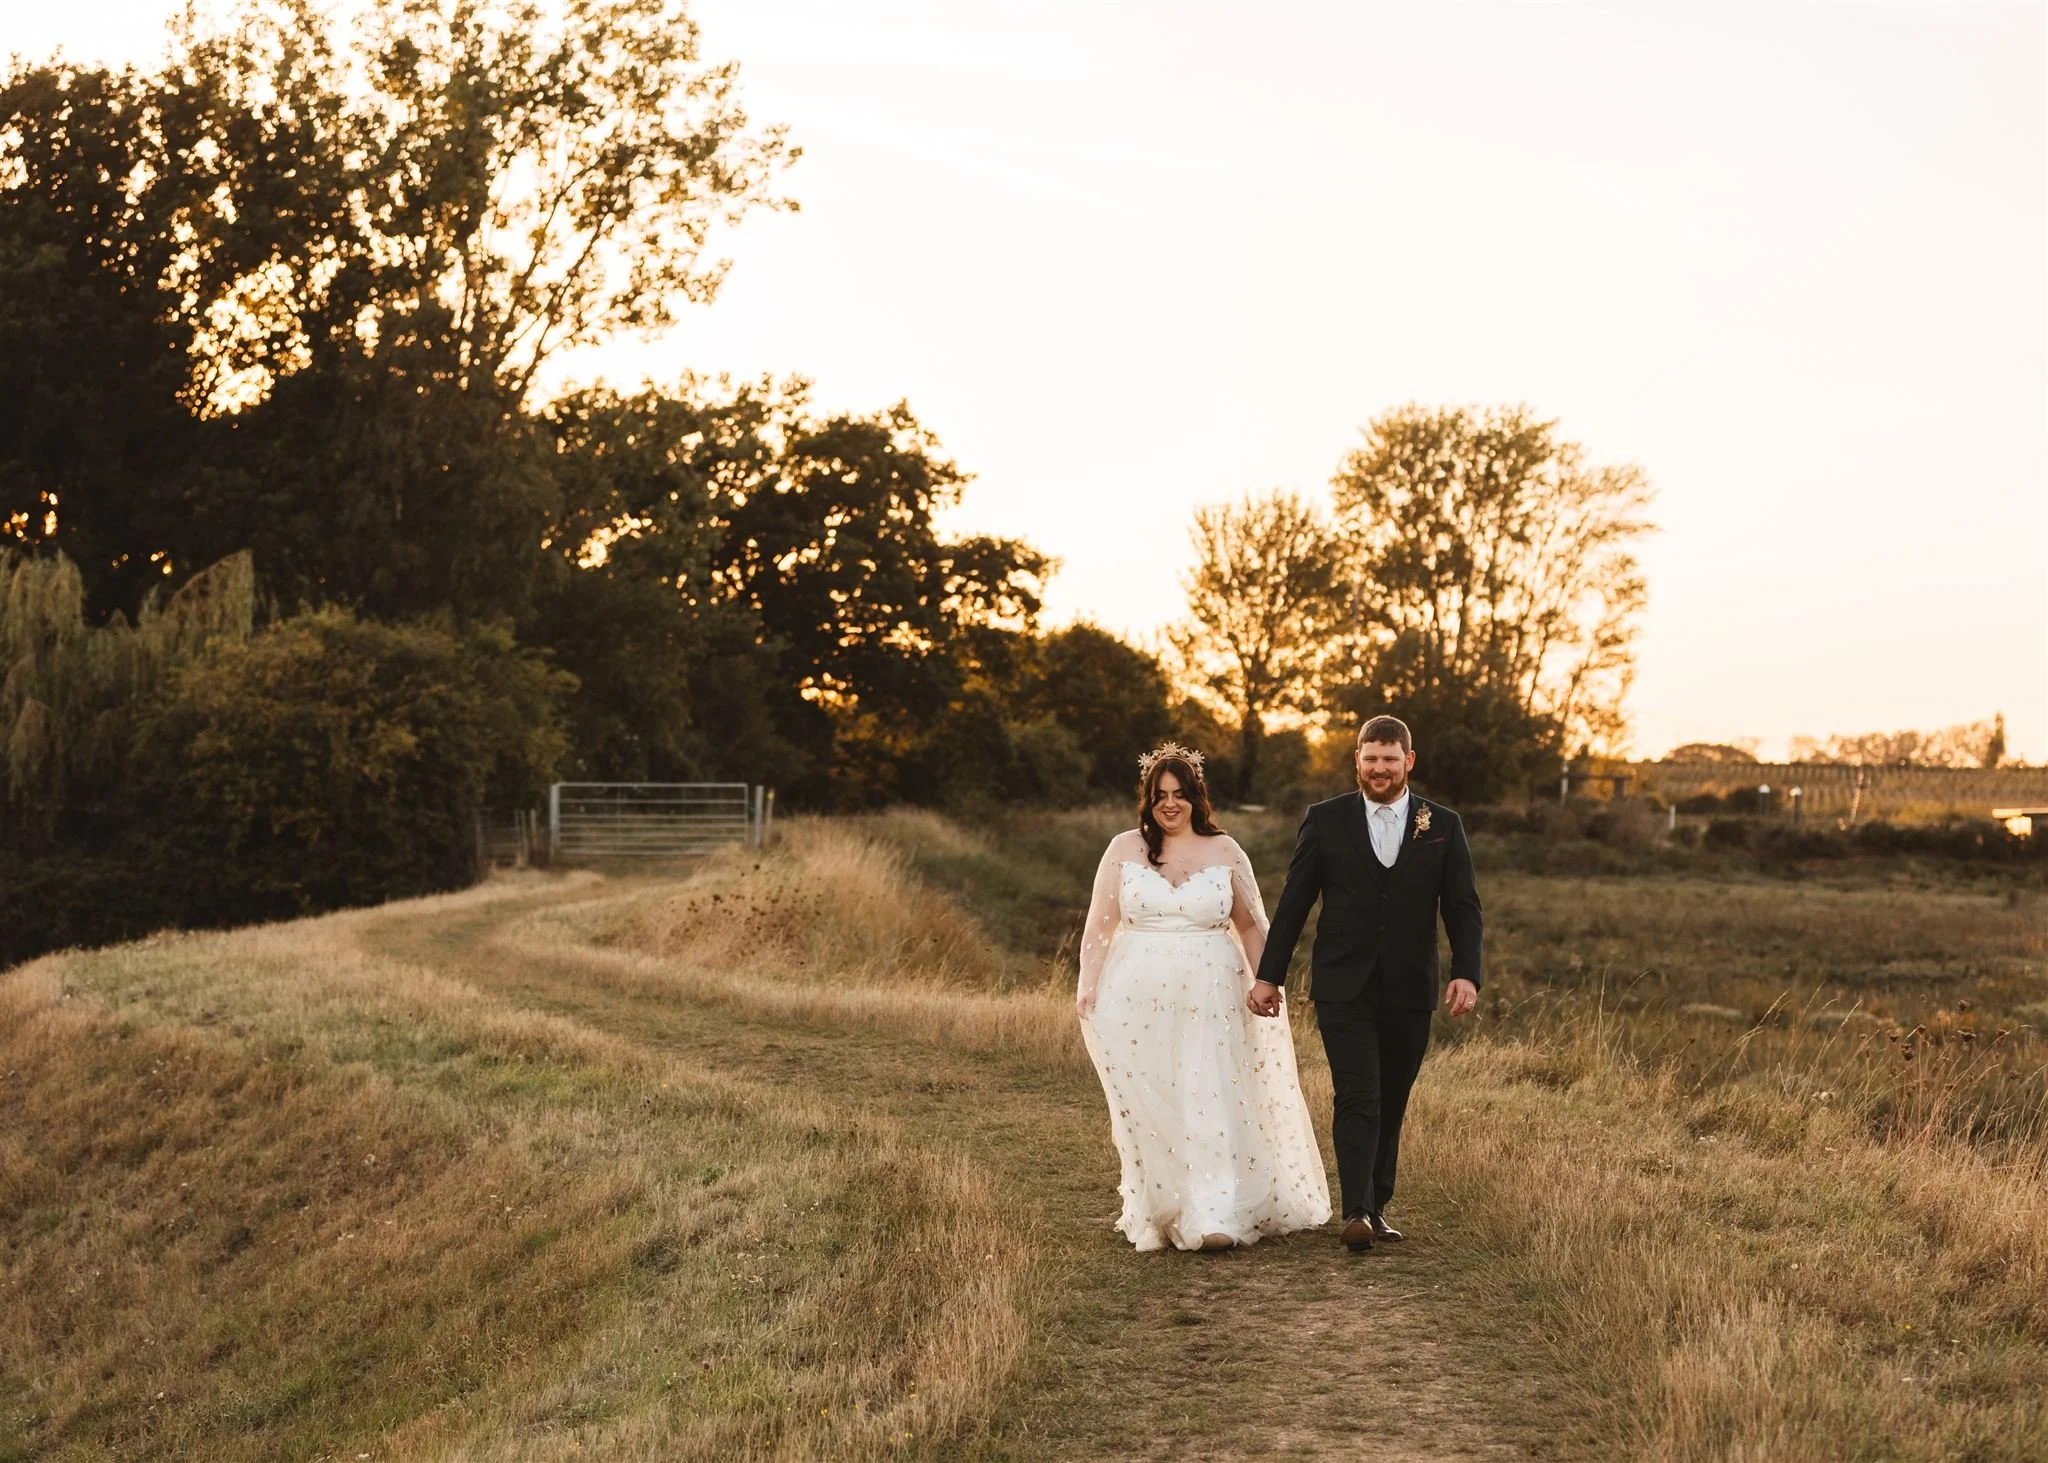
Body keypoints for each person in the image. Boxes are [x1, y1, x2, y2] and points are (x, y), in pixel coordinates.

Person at [1075, 742, 1330, 1252]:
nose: (1170, 804)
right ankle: (1163, 1204)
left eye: (1180, 794)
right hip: (1136, 995)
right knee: (1154, 1095)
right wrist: (1089, 987)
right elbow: (1099, 928)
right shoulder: (1124, 849)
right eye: (1159, 795)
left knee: (1207, 1090)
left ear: (1197, 798)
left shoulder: (1224, 850)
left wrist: (1267, 981)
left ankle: (1213, 1212)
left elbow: (1252, 926)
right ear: (1147, 800)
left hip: (1212, 989)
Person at [1250, 714, 1483, 1253]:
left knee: (1394, 1096)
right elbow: (1294, 903)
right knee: (1359, 1092)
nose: (1379, 768)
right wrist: (1269, 976)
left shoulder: (1442, 823)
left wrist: (1466, 972)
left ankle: (1377, 1205)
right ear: (1357, 760)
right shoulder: (1325, 819)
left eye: (1390, 759)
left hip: (1410, 986)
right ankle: (1355, 1209)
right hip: (1342, 984)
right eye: (1370, 758)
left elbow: (1464, 906)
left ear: (1409, 762)